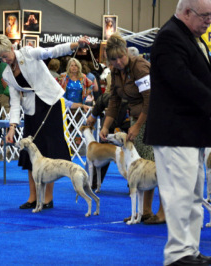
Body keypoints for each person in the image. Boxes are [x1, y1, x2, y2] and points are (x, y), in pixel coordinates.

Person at [144, 0, 211, 265]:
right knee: (179, 196)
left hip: (192, 132)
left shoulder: (194, 38)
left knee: (194, 196)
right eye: (205, 16)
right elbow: (183, 82)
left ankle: (189, 250)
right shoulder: (169, 37)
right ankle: (177, 254)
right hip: (174, 132)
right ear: (186, 12)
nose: (208, 21)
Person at [0, 34, 90, 209]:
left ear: (12, 49)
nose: (4, 60)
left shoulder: (28, 53)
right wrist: (12, 127)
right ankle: (33, 197)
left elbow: (52, 51)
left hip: (50, 104)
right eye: (0, 58)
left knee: (49, 150)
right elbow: (14, 102)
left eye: (5, 55)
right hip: (31, 110)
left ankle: (47, 198)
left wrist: (76, 44)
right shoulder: (7, 73)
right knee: (31, 152)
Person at [99, 33, 165, 225]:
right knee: (144, 165)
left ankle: (162, 212)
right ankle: (144, 212)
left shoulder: (140, 66)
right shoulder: (115, 72)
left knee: (154, 166)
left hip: (155, 116)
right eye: (113, 59)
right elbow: (114, 101)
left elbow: (150, 99)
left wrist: (137, 125)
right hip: (138, 117)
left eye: (121, 57)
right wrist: (105, 126)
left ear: (126, 52)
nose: (118, 61)